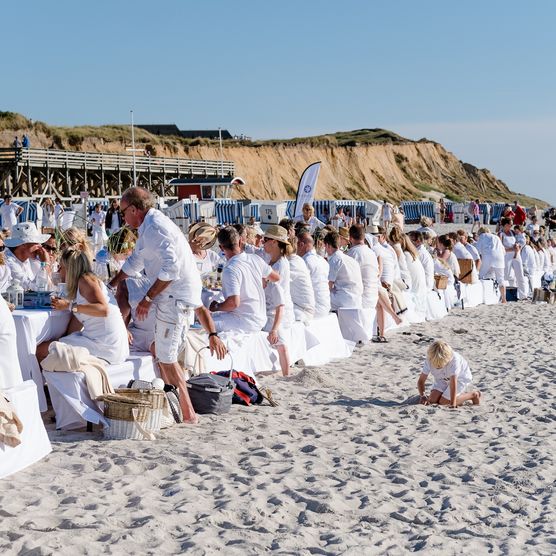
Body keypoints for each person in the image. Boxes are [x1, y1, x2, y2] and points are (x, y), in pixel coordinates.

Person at [108, 187, 206, 423]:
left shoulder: (155, 228)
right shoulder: (150, 227)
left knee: (167, 358)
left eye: (123, 212)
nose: (122, 217)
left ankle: (188, 413)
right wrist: (113, 282)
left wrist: (147, 299)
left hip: (174, 298)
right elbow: (136, 261)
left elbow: (171, 269)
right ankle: (185, 410)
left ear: (134, 209)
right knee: (166, 356)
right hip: (176, 297)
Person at [37, 247, 129, 365]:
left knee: (40, 351)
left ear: (70, 269)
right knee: (52, 348)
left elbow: (103, 310)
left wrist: (69, 306)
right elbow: (79, 320)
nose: (59, 271)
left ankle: (44, 383)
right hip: (108, 344)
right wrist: (62, 340)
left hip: (105, 346)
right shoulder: (83, 283)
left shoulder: (86, 281)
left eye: (61, 267)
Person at [209, 226, 279, 333]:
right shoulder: (255, 259)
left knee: (204, 322)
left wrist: (216, 306)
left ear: (221, 247)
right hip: (261, 317)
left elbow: (233, 303)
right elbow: (275, 277)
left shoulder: (230, 269)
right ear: (241, 241)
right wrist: (262, 279)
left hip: (245, 321)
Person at [261, 225, 295, 376]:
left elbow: (279, 301)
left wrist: (274, 327)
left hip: (277, 312)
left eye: (265, 240)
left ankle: (287, 376)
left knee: (282, 346)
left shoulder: (280, 265)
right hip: (274, 309)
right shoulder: (274, 261)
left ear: (274, 242)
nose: (263, 242)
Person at [417, 340, 481, 408]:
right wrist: (422, 396)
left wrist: (452, 404)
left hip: (460, 378)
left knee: (443, 402)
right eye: (436, 365)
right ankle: (451, 396)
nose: (438, 367)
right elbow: (421, 381)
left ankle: (474, 395)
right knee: (432, 400)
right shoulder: (430, 359)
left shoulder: (454, 360)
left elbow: (453, 383)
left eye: (440, 365)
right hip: (442, 378)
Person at [3, 222, 50, 289]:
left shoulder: (26, 259)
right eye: (36, 243)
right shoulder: (9, 262)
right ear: (23, 244)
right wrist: (46, 263)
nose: (40, 246)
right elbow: (33, 288)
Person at [324, 231, 363, 310]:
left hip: (344, 299)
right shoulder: (350, 259)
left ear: (328, 245)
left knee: (320, 297)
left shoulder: (334, 260)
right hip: (357, 299)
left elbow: (328, 285)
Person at [296, 231, 331, 318]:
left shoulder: (304, 262)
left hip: (313, 309)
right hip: (326, 307)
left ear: (301, 245)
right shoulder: (323, 261)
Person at [347, 224, 379, 310]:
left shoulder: (352, 253)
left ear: (350, 238)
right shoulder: (372, 253)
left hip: (361, 299)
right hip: (373, 297)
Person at [475, 227, 507, 303]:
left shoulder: (482, 236)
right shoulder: (496, 237)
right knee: (501, 279)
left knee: (480, 275)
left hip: (488, 256)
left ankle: (480, 297)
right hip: (499, 258)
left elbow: (477, 251)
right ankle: (503, 299)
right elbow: (504, 251)